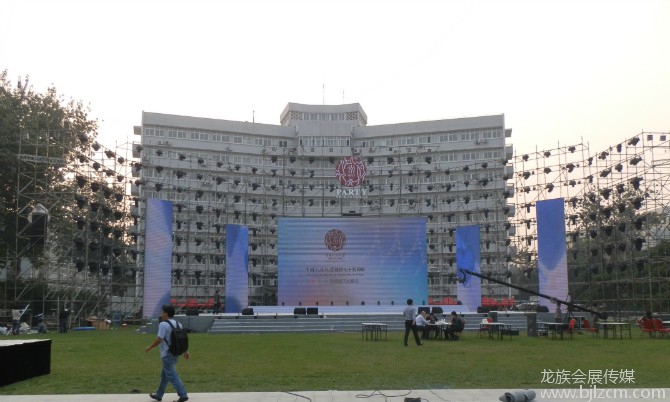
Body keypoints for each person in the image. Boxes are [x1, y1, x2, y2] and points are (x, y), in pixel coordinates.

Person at [145, 304, 190, 402]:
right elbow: (181, 340)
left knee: (172, 375)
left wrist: (150, 347)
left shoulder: (163, 324)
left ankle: (183, 394)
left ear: (166, 313)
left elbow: (159, 339)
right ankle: (159, 395)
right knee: (165, 375)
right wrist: (185, 351)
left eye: (162, 312)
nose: (161, 313)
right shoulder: (178, 324)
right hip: (176, 353)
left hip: (167, 354)